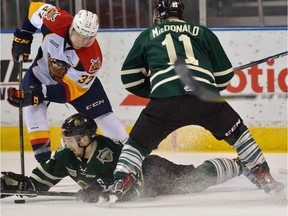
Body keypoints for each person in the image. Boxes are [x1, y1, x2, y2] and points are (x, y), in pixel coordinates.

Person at [108, 0, 284, 202]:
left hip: (164, 102)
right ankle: (266, 178)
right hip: (205, 98)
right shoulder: (202, 32)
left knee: (136, 145)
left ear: (159, 14)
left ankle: (120, 183)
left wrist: (157, 89)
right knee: (240, 136)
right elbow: (225, 75)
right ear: (181, 13)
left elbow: (129, 77)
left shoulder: (148, 35)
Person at [1, 113, 250, 202]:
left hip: (151, 173)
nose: (66, 145)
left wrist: (102, 189)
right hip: (140, 184)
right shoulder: (67, 156)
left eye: (71, 140)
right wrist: (21, 185)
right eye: (66, 140)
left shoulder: (109, 151)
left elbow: (130, 187)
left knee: (194, 181)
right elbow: (42, 180)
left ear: (85, 139)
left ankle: (241, 164)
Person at [7, 2, 129, 163]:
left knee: (105, 117)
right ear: (72, 27)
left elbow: (69, 91)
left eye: (87, 38)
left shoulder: (92, 59)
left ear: (94, 36)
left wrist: (40, 93)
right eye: (78, 34)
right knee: (32, 109)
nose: (81, 41)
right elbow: (33, 8)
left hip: (76, 87)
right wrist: (25, 34)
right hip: (41, 73)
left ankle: (132, 154)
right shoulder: (56, 19)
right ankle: (44, 165)